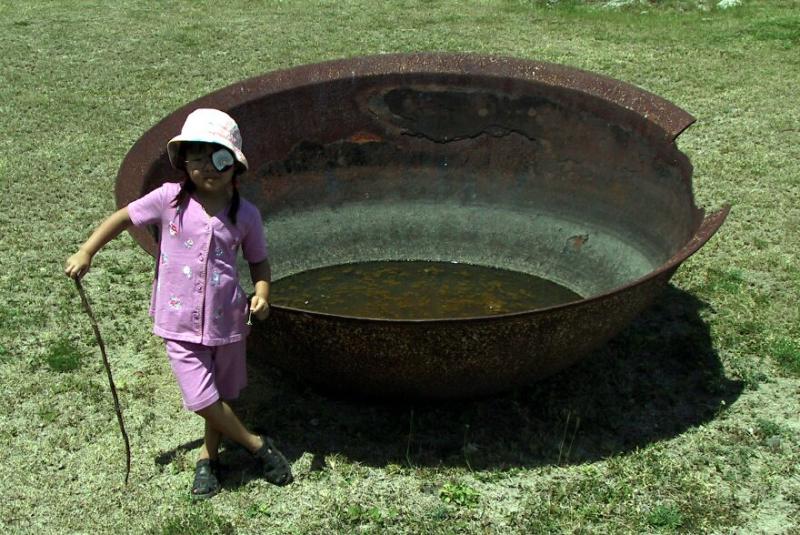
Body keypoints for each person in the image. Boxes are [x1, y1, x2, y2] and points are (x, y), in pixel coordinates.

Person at [64, 108, 292, 499]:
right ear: (183, 163)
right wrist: (87, 251)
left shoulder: (247, 215)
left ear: (234, 163)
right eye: (197, 156)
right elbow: (122, 218)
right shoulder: (169, 199)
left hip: (228, 321)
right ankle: (257, 445)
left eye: (218, 156)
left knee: (220, 393)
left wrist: (263, 293)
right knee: (201, 397)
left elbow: (258, 261)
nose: (208, 166)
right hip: (178, 321)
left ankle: (208, 458)